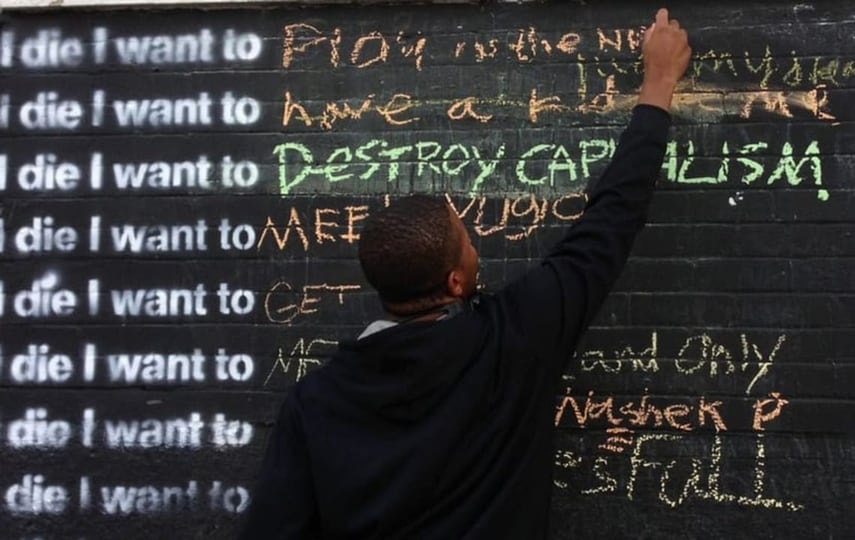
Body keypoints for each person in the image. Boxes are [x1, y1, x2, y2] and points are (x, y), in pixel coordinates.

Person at [240, 8, 690, 539]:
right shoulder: (514, 342)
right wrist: (658, 85)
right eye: (469, 243)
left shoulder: (315, 403)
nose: (477, 243)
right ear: (456, 281)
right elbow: (609, 223)